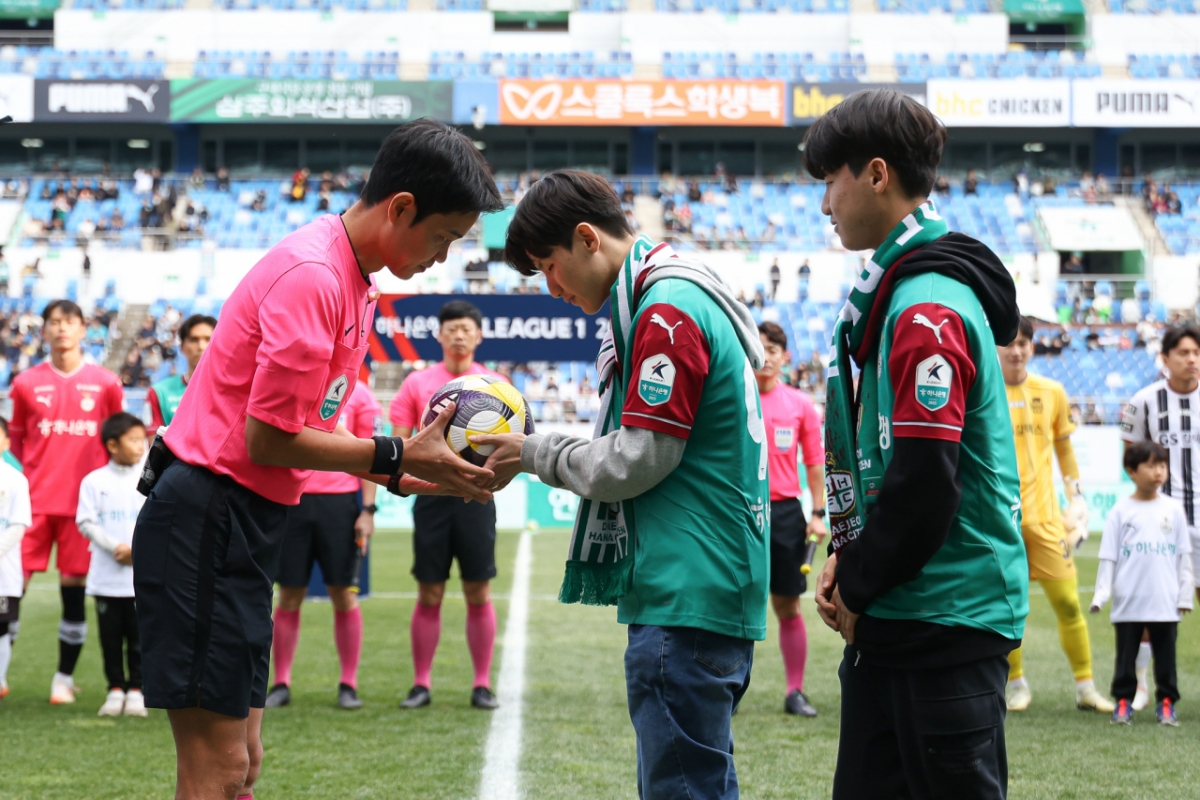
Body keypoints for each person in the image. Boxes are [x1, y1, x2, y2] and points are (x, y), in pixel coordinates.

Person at [131, 119, 504, 800]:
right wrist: (394, 451)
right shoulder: (314, 277)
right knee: (215, 768)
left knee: (243, 762)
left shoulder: (353, 280)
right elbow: (266, 439)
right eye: (444, 238)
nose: (443, 258)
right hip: (207, 517)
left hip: (241, 519)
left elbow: (305, 430)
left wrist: (409, 471)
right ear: (401, 209)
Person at [475, 169, 769, 799]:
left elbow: (638, 459)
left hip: (686, 583)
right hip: (707, 576)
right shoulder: (678, 292)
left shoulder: (664, 309)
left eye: (548, 266)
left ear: (586, 239)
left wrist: (534, 452)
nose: (550, 288)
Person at [804, 90, 1026, 800]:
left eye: (830, 181)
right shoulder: (897, 291)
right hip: (903, 615)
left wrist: (860, 579)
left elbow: (929, 480)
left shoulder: (926, 306)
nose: (825, 203)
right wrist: (850, 558)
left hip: (941, 621)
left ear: (875, 174)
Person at [388, 300, 505, 711]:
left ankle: (481, 684)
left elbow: (510, 449)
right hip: (430, 500)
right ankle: (421, 684)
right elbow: (397, 446)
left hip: (476, 499)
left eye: (466, 328)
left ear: (478, 335)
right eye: (451, 328)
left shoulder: (497, 385)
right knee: (429, 592)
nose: (458, 334)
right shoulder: (416, 384)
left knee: (478, 591)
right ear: (439, 335)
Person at [10, 299, 124, 705]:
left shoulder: (107, 382)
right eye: (54, 322)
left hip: (83, 508)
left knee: (72, 589)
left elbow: (118, 437)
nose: (61, 329)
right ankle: (2, 670)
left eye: (69, 322)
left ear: (82, 329)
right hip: (35, 503)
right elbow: (18, 439)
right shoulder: (24, 383)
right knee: (12, 586)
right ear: (43, 330)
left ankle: (63, 678)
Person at [997, 316, 1113, 714]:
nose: (1016, 350)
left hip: (1047, 521)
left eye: (1023, 344)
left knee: (1068, 605)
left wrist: (1075, 496)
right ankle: (1016, 686)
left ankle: (1085, 687)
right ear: (997, 347)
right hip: (999, 524)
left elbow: (1065, 450)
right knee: (1007, 609)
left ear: (1032, 348)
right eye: (1009, 343)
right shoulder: (982, 390)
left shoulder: (1052, 391)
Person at [265, 379, 382, 711]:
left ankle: (348, 684)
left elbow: (370, 453)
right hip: (292, 501)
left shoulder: (361, 395)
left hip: (340, 505)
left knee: (343, 594)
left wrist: (367, 510)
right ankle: (281, 682)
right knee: (288, 594)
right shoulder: (294, 386)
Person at [1118, 324, 1200, 709]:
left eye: (1196, 353)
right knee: (1152, 609)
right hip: (1161, 525)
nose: (1192, 360)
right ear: (1165, 359)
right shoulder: (1143, 401)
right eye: (1183, 353)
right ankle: (1141, 687)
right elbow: (1129, 456)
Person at [1090, 441, 1193, 726]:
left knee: (1166, 657)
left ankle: (1167, 703)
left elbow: (1183, 555)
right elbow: (1108, 556)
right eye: (1150, 465)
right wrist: (1101, 594)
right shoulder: (1121, 511)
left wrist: (1184, 595)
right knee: (1125, 657)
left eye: (1162, 465)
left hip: (1165, 599)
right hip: (1129, 600)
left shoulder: (1173, 510)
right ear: (1132, 471)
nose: (1158, 472)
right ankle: (1123, 702)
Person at [755, 321, 826, 717]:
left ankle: (794, 691)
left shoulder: (800, 406)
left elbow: (815, 465)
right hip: (738, 512)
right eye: (759, 347)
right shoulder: (733, 397)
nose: (765, 355)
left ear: (785, 357)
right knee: (734, 606)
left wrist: (816, 514)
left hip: (784, 513)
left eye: (772, 348)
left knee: (787, 606)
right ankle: (725, 690)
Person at [77, 412, 148, 718]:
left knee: (140, 637)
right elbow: (86, 521)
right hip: (106, 578)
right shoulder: (94, 481)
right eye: (133, 440)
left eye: (142, 439)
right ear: (112, 445)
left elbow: (159, 522)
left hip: (141, 576)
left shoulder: (150, 479)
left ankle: (137, 689)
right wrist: (114, 546)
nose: (141, 446)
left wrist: (138, 551)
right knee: (110, 638)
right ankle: (115, 688)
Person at [146, 314, 217, 438]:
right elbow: (153, 445)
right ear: (182, 347)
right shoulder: (160, 392)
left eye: (208, 339)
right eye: (194, 340)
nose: (201, 346)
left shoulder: (234, 391)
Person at [0, 418, 31, 705]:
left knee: (1, 628)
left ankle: (0, 679)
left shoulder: (15, 479)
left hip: (4, 571)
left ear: (7, 442)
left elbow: (19, 524)